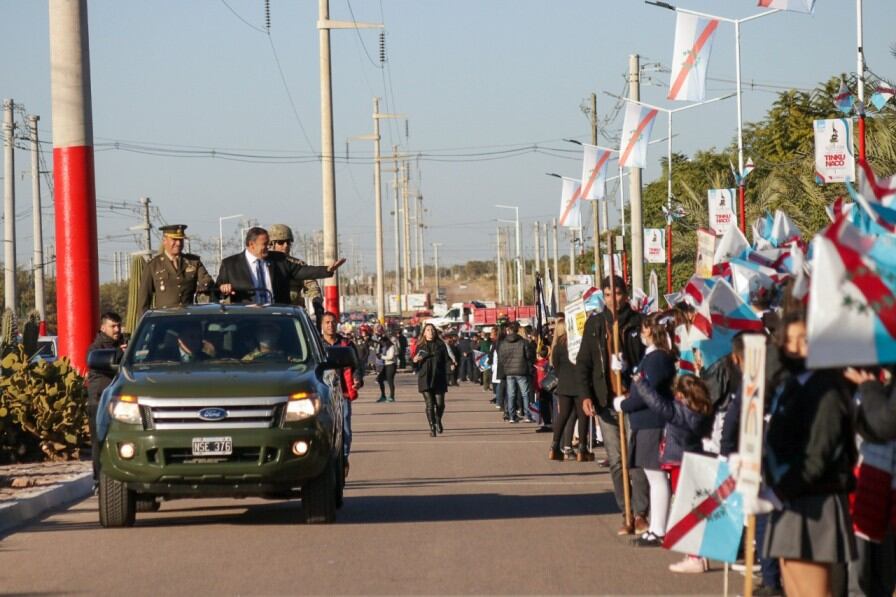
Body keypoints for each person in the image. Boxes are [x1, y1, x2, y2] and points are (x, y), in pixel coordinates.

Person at [762, 312, 857, 595]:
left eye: (804, 340)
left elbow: (818, 456)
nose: (795, 348)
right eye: (788, 341)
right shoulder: (791, 384)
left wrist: (778, 493)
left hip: (815, 501)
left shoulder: (827, 389)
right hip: (790, 498)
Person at [577, 274, 649, 535]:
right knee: (617, 461)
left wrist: (628, 364)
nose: (613, 299)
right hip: (605, 402)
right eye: (608, 295)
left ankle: (641, 512)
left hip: (632, 399)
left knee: (635, 459)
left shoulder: (638, 323)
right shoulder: (595, 324)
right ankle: (626, 512)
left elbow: (648, 356)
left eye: (617, 294)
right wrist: (586, 395)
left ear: (625, 295)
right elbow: (584, 362)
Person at [630, 373, 715, 573]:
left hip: (679, 462)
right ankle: (697, 555)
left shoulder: (680, 412)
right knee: (693, 507)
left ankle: (695, 557)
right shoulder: (701, 411)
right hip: (693, 458)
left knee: (687, 510)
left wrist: (641, 382)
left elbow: (657, 404)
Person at [618, 313, 678, 547]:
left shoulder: (658, 358)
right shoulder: (651, 357)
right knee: (653, 476)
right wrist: (623, 370)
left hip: (653, 421)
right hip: (645, 422)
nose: (641, 334)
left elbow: (647, 392)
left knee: (656, 476)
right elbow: (638, 383)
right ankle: (656, 527)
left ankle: (659, 529)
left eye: (643, 329)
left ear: (650, 331)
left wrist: (623, 404)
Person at [217, 227, 345, 304]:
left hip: (276, 317)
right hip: (247, 319)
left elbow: (301, 271)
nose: (268, 247)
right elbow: (216, 292)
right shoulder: (230, 265)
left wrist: (327, 270)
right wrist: (223, 289)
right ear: (251, 245)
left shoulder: (279, 260)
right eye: (265, 244)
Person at [137, 224, 214, 316]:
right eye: (174, 240)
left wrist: (203, 286)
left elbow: (207, 280)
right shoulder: (153, 265)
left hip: (188, 318)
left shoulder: (193, 262)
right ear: (164, 241)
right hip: (164, 320)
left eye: (181, 240)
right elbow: (143, 301)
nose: (178, 243)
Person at [320, 311, 362, 478]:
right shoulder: (315, 344)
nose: (330, 325)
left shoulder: (346, 344)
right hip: (322, 394)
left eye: (333, 322)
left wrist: (357, 379)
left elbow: (357, 366)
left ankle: (343, 458)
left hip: (342, 393)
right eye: (327, 322)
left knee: (344, 428)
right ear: (322, 325)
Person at [86, 312, 125, 481]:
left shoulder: (123, 343)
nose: (117, 329)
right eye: (112, 326)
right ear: (103, 328)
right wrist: (120, 353)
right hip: (99, 399)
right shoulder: (96, 349)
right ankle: (99, 479)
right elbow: (107, 367)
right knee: (99, 441)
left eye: (118, 326)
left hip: (121, 401)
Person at [548, 315, 590, 461]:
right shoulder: (580, 344)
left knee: (563, 416)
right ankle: (582, 449)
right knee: (582, 415)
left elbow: (556, 366)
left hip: (564, 383)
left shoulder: (558, 345)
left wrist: (563, 377)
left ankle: (554, 446)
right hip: (579, 383)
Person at [267, 224, 325, 324]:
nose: (285, 246)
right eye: (281, 242)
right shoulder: (262, 264)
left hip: (292, 316)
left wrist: (317, 304)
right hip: (268, 315)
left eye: (288, 242)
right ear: (271, 244)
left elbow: (313, 288)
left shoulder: (297, 265)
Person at [413, 323, 450, 437]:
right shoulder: (420, 346)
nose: (430, 332)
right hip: (425, 378)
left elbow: (446, 360)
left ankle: (438, 419)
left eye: (432, 330)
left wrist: (450, 370)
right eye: (428, 330)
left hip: (439, 378)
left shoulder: (440, 345)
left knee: (440, 404)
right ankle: (432, 427)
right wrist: (415, 360)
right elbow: (415, 365)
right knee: (429, 404)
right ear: (424, 333)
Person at [499, 322, 535, 423]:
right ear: (517, 330)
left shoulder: (503, 343)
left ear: (509, 330)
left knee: (511, 394)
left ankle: (511, 416)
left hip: (509, 371)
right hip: (521, 370)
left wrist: (507, 364)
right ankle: (527, 415)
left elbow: (501, 357)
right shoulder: (523, 342)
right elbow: (528, 356)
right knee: (525, 393)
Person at [375, 335, 398, 403]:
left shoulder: (392, 347)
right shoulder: (385, 348)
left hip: (391, 365)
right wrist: (379, 355)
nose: (382, 344)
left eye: (383, 343)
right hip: (386, 365)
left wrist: (382, 356)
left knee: (390, 381)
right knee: (379, 379)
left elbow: (390, 357)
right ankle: (383, 396)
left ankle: (392, 396)